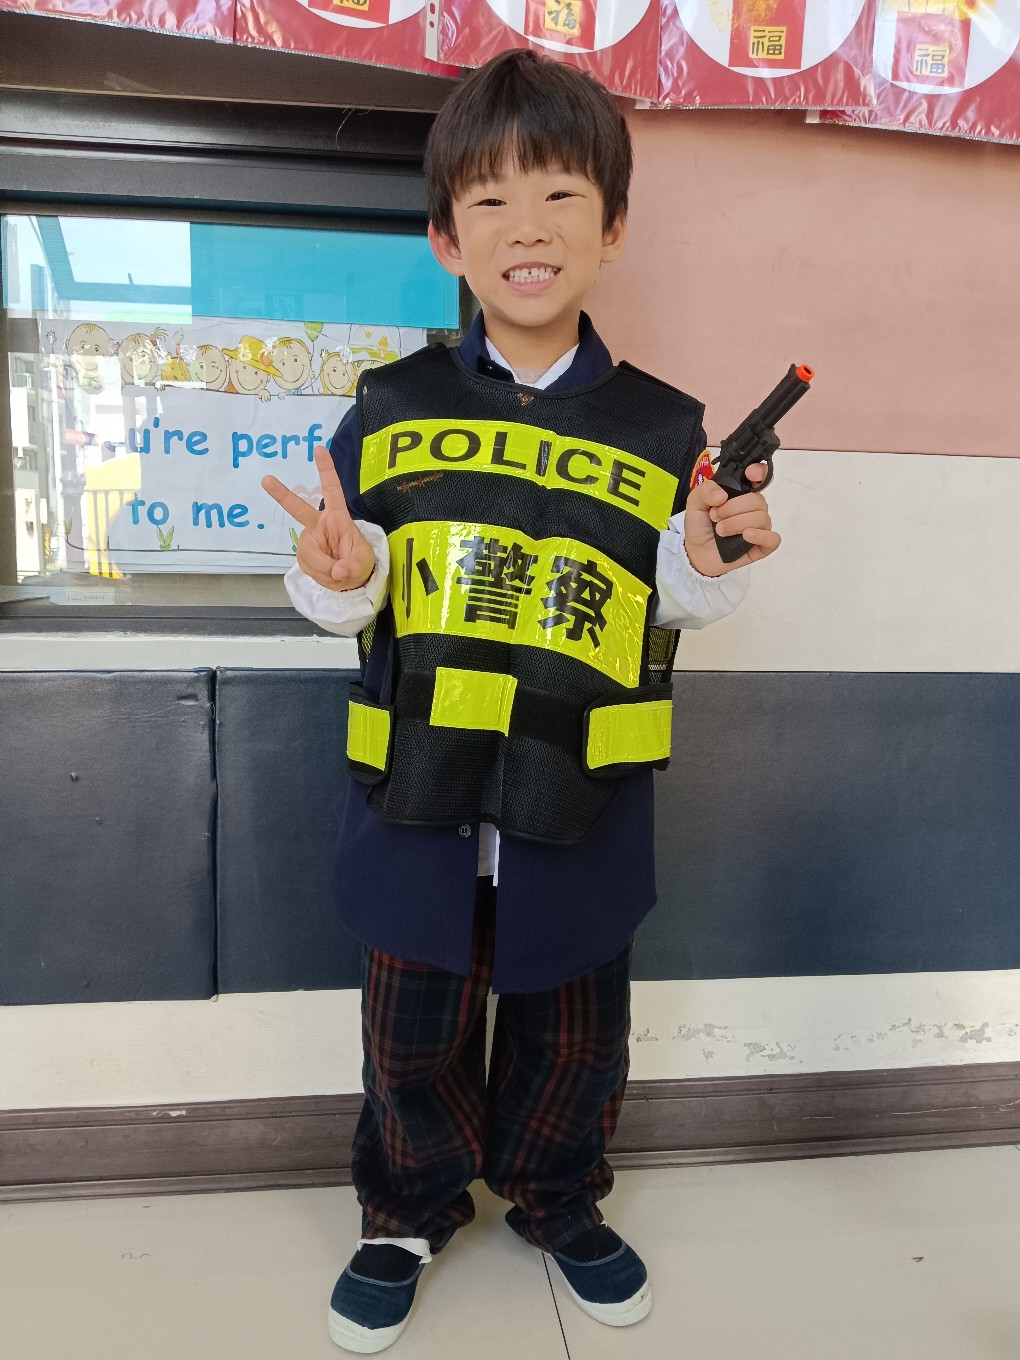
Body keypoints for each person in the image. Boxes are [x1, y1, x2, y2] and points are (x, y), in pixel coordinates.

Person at [263, 48, 779, 1356]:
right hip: (418, 799)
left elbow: (675, 597)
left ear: (613, 228)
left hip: (580, 799)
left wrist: (710, 558)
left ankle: (559, 1202)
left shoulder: (665, 429)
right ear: (447, 238)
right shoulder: (391, 407)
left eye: (558, 195)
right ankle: (406, 1213)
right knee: (410, 1040)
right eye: (489, 200)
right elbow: (347, 578)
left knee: (573, 1039)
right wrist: (336, 575)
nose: (527, 228)